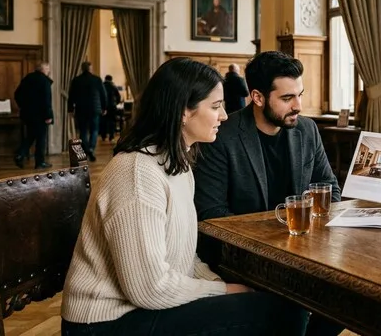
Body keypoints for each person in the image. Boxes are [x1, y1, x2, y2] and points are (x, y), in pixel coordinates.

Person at [61, 57, 308, 335]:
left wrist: (225, 287)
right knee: (281, 314)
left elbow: (185, 258)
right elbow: (149, 289)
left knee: (288, 303)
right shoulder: (137, 173)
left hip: (143, 309)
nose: (225, 116)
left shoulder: (176, 164)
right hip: (105, 322)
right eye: (215, 106)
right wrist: (222, 289)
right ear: (183, 112)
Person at [194, 51, 342, 336]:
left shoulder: (307, 130)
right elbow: (211, 215)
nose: (298, 106)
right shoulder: (222, 136)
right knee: (295, 303)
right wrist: (280, 233)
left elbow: (329, 188)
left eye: (300, 94)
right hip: (242, 258)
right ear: (258, 98)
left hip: (304, 251)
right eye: (287, 99)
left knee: (347, 300)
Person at [13, 62, 54, 169]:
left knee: (31, 135)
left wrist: (23, 106)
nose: (49, 70)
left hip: (27, 114)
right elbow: (47, 100)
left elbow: (17, 94)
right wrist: (48, 116)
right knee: (41, 139)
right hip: (40, 115)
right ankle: (39, 162)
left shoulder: (27, 78)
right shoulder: (44, 81)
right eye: (47, 68)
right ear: (43, 69)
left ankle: (20, 154)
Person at [67, 62, 108, 161]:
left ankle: (85, 150)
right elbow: (103, 95)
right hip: (95, 108)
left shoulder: (76, 80)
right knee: (94, 130)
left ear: (82, 69)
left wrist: (70, 109)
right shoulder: (97, 79)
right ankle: (91, 148)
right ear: (90, 69)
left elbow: (71, 96)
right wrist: (104, 107)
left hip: (81, 109)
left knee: (83, 131)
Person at [102, 74, 122, 141]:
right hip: (112, 106)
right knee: (112, 122)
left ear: (105, 79)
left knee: (104, 122)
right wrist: (116, 103)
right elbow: (118, 96)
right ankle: (111, 136)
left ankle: (104, 136)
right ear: (111, 79)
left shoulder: (102, 85)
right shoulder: (113, 86)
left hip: (104, 107)